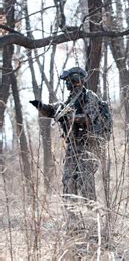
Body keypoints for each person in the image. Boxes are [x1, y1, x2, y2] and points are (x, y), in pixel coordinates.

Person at [30, 67, 107, 229]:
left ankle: (93, 224)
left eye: (68, 81)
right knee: (68, 183)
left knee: (86, 184)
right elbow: (54, 110)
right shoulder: (69, 101)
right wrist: (41, 106)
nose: (67, 85)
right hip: (72, 149)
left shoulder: (89, 97)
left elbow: (88, 118)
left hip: (87, 147)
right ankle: (73, 224)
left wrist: (70, 117)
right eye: (65, 82)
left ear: (77, 79)